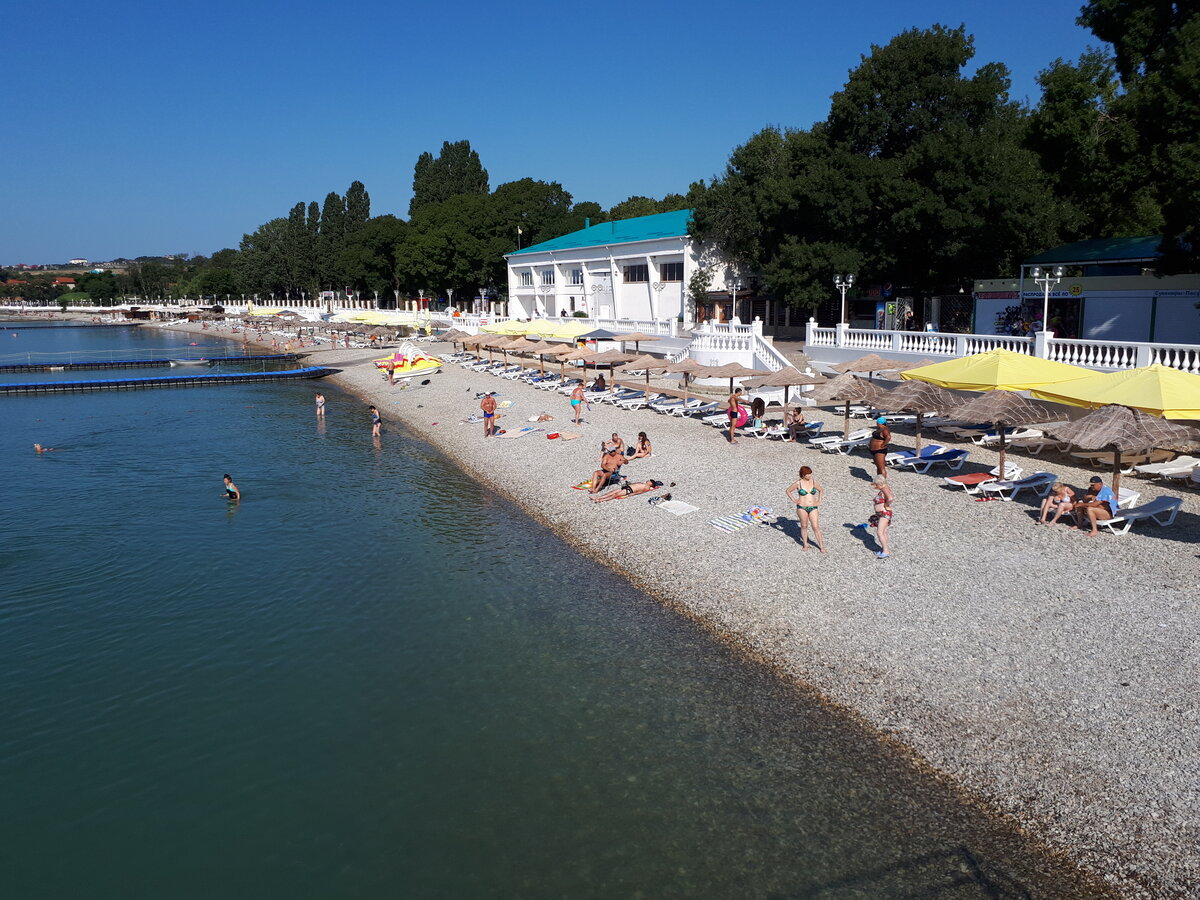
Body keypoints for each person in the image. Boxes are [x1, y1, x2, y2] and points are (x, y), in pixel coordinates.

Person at [785, 466, 826, 552]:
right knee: (804, 526)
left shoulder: (814, 482)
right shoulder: (798, 483)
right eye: (808, 474)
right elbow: (788, 490)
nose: (810, 475)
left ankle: (821, 546)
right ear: (803, 475)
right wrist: (794, 500)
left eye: (810, 473)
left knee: (815, 526)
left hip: (813, 507)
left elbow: (821, 490)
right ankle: (805, 544)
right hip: (802, 507)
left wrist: (819, 500)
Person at [860, 479, 894, 558]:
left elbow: (890, 498)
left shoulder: (885, 489)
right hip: (882, 514)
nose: (875, 486)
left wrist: (886, 505)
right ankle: (884, 549)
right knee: (884, 532)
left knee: (880, 532)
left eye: (876, 485)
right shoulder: (884, 488)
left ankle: (886, 551)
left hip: (884, 514)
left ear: (880, 483)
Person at [591, 478, 665, 502]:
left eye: (649, 481)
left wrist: (633, 494)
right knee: (612, 492)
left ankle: (600, 500)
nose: (648, 481)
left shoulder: (647, 488)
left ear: (651, 484)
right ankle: (599, 497)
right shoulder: (644, 484)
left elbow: (640, 491)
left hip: (630, 490)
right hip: (627, 487)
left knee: (615, 495)